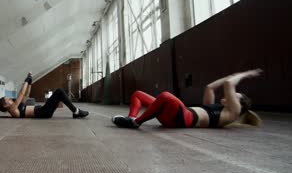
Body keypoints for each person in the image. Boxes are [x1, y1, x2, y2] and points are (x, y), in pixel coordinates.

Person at [112, 69, 263, 129]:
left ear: (238, 104)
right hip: (172, 116)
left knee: (165, 96)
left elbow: (229, 84)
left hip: (184, 118)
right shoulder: (215, 108)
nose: (230, 96)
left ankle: (136, 122)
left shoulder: (233, 112)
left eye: (235, 96)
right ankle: (130, 117)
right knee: (138, 94)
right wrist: (229, 77)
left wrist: (244, 74)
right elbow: (210, 87)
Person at [0, 73, 89, 119]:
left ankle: (75, 111)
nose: (9, 98)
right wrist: (26, 80)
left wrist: (30, 83)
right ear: (5, 105)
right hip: (43, 112)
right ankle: (76, 111)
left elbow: (26, 95)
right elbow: (21, 94)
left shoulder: (15, 107)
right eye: (7, 99)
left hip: (43, 110)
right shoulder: (12, 109)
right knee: (59, 91)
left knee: (60, 94)